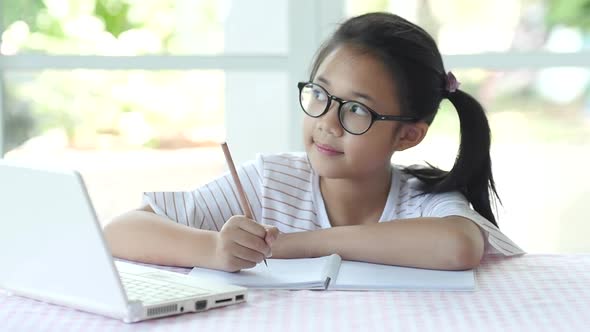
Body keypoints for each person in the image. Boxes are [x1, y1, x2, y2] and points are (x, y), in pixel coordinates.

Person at [104, 12, 524, 272]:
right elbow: (121, 231)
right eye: (320, 95)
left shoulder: (422, 200)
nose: (327, 122)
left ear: (408, 135)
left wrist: (293, 246)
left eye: (357, 109)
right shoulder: (272, 181)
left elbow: (458, 246)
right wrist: (214, 248)